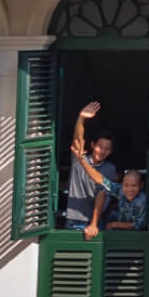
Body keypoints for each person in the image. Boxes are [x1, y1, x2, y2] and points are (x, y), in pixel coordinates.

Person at [69, 133, 148, 231]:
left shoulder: (142, 200)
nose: (130, 189)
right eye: (126, 185)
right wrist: (82, 161)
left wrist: (114, 225)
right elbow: (101, 181)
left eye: (134, 185)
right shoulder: (120, 191)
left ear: (141, 186)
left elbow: (139, 225)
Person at [65, 101, 116, 239]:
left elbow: (102, 194)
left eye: (107, 149)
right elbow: (77, 139)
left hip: (97, 220)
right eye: (100, 147)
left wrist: (93, 224)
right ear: (93, 145)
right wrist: (81, 118)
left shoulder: (109, 169)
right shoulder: (79, 158)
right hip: (76, 219)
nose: (102, 151)